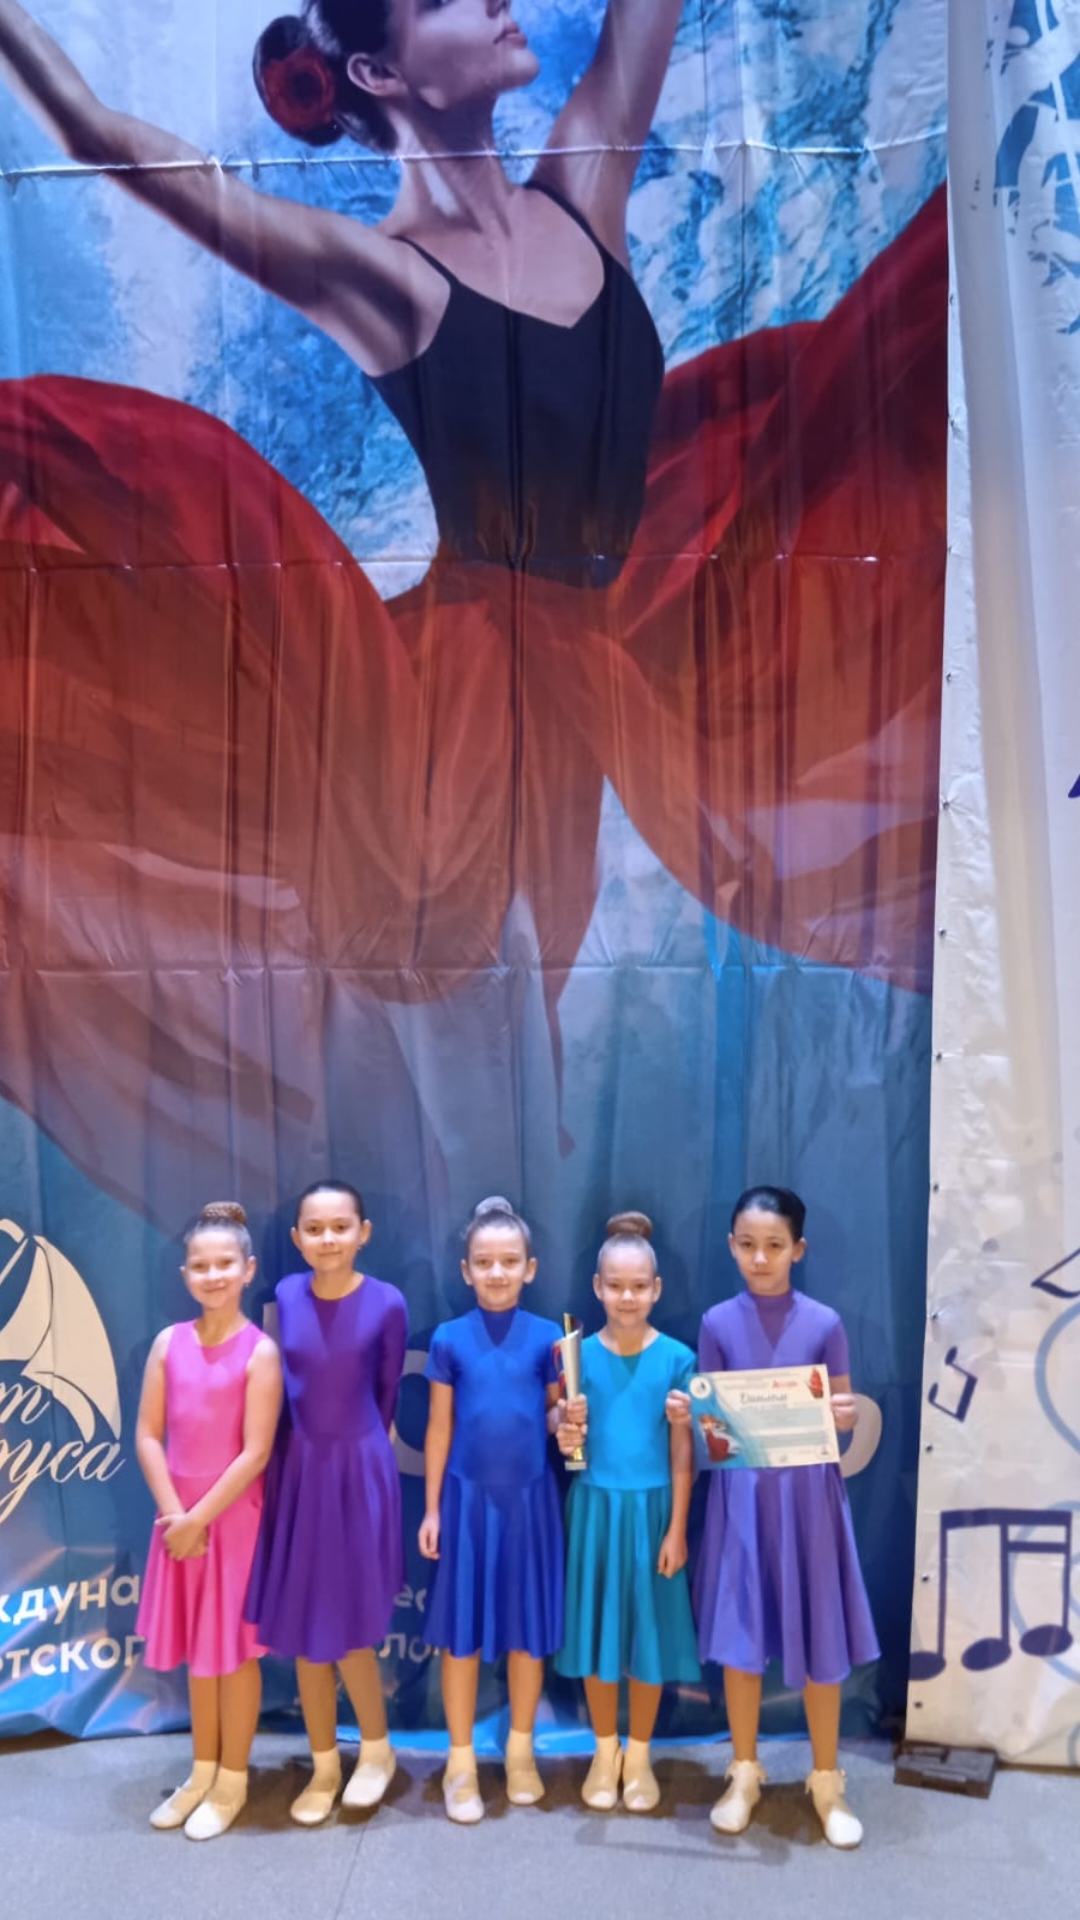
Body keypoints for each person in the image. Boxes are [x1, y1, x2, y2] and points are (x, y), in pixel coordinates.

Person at [0, 0, 947, 1216]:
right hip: (456, 715)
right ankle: (431, 1292)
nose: (497, 0)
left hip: (594, 660)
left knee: (520, 1078)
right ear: (378, 70)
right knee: (489, 1081)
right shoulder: (385, 277)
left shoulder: (583, 182)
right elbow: (103, 138)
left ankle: (469, 1279)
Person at [667, 1184, 878, 1849]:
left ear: (798, 1250)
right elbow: (712, 1430)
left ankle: (827, 1781)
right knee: (742, 1638)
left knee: (820, 1638)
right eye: (748, 1245)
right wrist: (688, 1415)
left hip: (809, 1504)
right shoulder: (716, 1323)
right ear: (732, 1246)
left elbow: (841, 1419)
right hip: (741, 1503)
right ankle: (744, 1773)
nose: (760, 1258)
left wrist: (843, 1413)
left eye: (775, 1246)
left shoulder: (824, 1324)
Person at [245, 1178, 408, 1824]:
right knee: (306, 1629)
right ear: (296, 1239)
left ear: (363, 1233)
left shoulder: (387, 1302)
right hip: (298, 1472)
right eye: (314, 1229)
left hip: (358, 1472)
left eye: (341, 1226)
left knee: (350, 1628)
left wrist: (357, 1455)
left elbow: (387, 1393)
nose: (328, 1238)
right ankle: (324, 1763)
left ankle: (377, 1750)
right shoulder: (286, 1295)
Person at [135, 1200, 282, 1840]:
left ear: (248, 1270)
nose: (213, 1275)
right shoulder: (168, 1344)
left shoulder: (261, 1353)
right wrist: (176, 1516)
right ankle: (201, 1771)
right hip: (177, 1525)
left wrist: (199, 1518)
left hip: (232, 1522)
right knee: (201, 1651)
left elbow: (255, 1453)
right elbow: (147, 1434)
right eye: (201, 1266)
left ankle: (233, 1780)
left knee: (234, 1655)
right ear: (185, 1273)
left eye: (225, 1264)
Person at [419, 1195, 564, 1824]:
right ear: (466, 1270)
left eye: (509, 1261)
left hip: (530, 1502)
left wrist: (566, 1420)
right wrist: (431, 1510)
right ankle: (460, 1763)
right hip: (466, 1504)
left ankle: (521, 1752)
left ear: (530, 1268)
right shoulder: (448, 1339)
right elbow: (439, 1429)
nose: (497, 1272)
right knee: (462, 1638)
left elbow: (555, 1416)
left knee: (527, 1635)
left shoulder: (550, 1338)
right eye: (485, 1262)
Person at [555, 1211, 697, 1813]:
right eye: (615, 1285)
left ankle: (639, 1755)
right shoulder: (576, 1357)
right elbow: (563, 1430)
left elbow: (685, 1453)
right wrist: (563, 1426)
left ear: (656, 1289)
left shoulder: (678, 1358)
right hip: (594, 1511)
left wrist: (678, 1527)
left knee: (647, 1640)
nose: (627, 1297)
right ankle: (604, 1749)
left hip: (653, 1514)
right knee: (597, 1635)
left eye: (639, 1286)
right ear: (597, 1287)